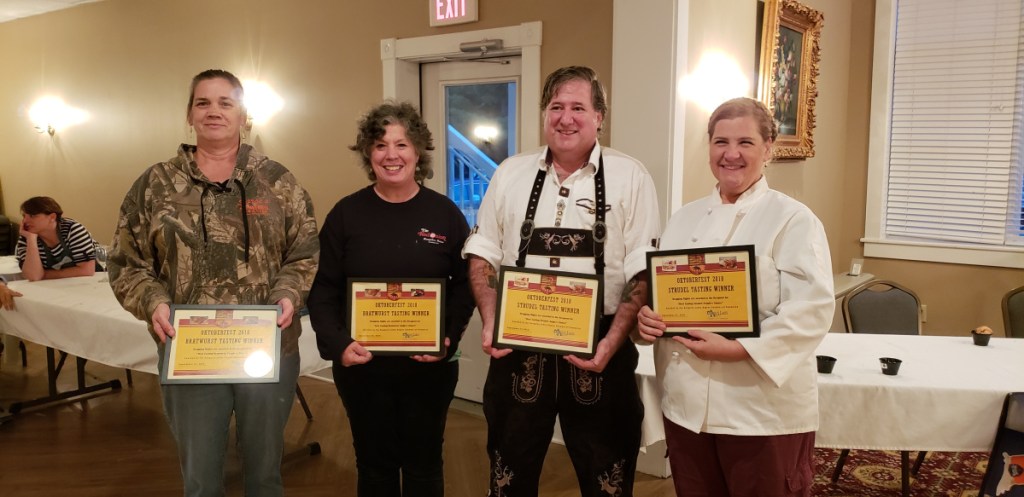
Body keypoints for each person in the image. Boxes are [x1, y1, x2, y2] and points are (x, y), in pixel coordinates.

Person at [107, 69, 319, 497]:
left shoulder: (278, 181)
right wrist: (154, 304)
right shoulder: (155, 184)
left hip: (269, 349)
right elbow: (126, 263)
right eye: (203, 102)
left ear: (243, 115)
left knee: (264, 476)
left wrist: (287, 294)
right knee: (201, 479)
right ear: (189, 115)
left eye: (226, 102)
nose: (214, 111)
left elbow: (305, 253)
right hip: (191, 352)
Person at [463, 66, 661, 497]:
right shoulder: (510, 173)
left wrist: (612, 342)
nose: (565, 118)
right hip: (520, 344)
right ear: (543, 114)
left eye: (578, 107)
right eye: (556, 107)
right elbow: (483, 254)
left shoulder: (631, 176)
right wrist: (492, 317)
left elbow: (641, 269)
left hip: (601, 347)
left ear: (599, 117)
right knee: (507, 472)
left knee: (607, 474)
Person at [636, 97, 834, 497]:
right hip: (687, 406)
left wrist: (739, 350)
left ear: (768, 149)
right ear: (708, 147)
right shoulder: (683, 218)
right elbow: (664, 297)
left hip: (759, 410)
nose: (731, 154)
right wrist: (648, 322)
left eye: (745, 142)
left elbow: (810, 311)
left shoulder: (793, 219)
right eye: (720, 142)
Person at [307, 102, 475, 497]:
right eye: (381, 145)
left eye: (402, 144)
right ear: (369, 153)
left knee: (424, 463)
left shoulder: (445, 214)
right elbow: (323, 287)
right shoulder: (346, 214)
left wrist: (447, 337)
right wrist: (338, 345)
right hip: (363, 366)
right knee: (374, 464)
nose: (391, 155)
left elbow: (466, 285)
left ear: (418, 151)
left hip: (429, 367)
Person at [16, 196, 97, 281]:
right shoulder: (27, 237)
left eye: (32, 216)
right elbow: (33, 276)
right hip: (56, 287)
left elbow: (87, 270)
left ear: (52, 217)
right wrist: (31, 239)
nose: (25, 221)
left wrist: (44, 274)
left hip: (91, 283)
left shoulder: (72, 229)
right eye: (24, 216)